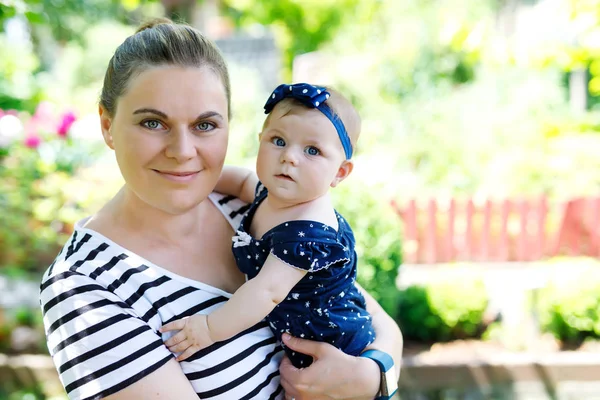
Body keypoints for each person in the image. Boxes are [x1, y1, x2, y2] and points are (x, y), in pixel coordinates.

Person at [39, 18, 403, 400]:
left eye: (205, 126)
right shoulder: (85, 287)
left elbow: (379, 322)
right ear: (108, 124)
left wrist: (372, 379)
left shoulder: (250, 208)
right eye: (153, 122)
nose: (182, 151)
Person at [160, 83, 376, 370]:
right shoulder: (273, 192)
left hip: (333, 347)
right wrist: (198, 176)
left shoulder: (309, 233)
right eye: (278, 141)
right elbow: (241, 182)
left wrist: (209, 329)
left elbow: (266, 292)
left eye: (312, 150)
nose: (289, 156)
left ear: (339, 172)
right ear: (260, 139)